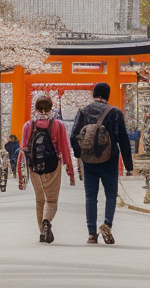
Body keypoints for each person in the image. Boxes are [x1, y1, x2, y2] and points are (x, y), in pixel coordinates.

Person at [71, 82, 134, 244]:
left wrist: (80, 154)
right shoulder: (115, 113)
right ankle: (107, 223)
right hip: (109, 160)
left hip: (89, 161)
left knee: (90, 197)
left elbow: (73, 136)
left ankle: (92, 234)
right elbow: (124, 141)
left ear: (93, 94)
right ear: (108, 95)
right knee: (111, 195)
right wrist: (128, 166)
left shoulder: (83, 112)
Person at [18, 95, 76, 243]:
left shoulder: (28, 125)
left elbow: (23, 150)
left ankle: (41, 232)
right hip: (53, 166)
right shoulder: (57, 125)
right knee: (51, 200)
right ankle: (46, 221)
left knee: (39, 200)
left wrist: (20, 173)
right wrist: (70, 170)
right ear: (50, 109)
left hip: (34, 167)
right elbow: (64, 148)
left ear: (36, 108)